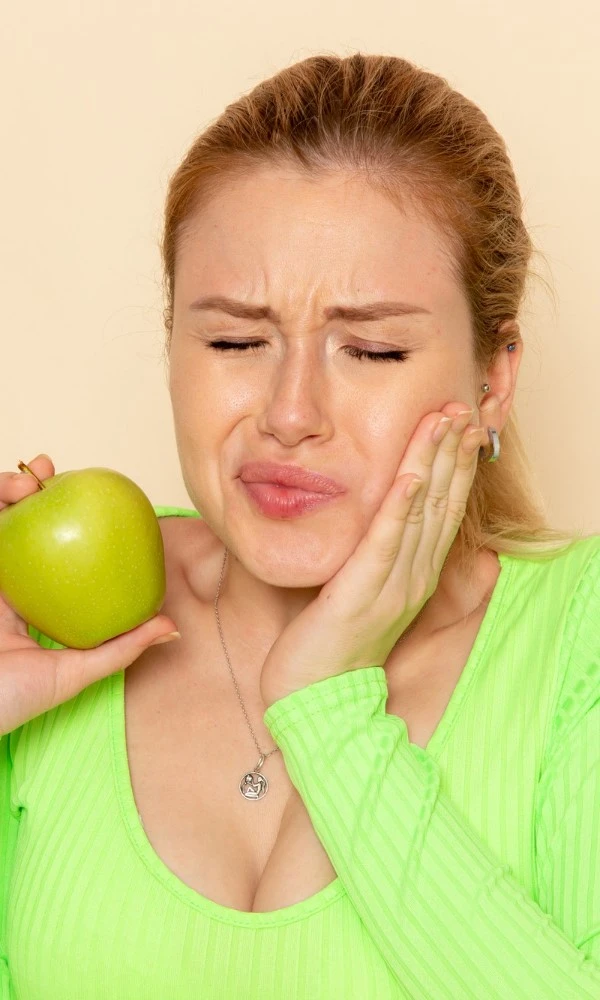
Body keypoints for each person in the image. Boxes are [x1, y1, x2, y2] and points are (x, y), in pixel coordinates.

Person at [1, 51, 598, 1000]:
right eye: (235, 340)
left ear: (493, 381)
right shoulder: (38, 628)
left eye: (371, 349)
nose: (289, 412)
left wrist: (328, 703)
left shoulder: (581, 638)